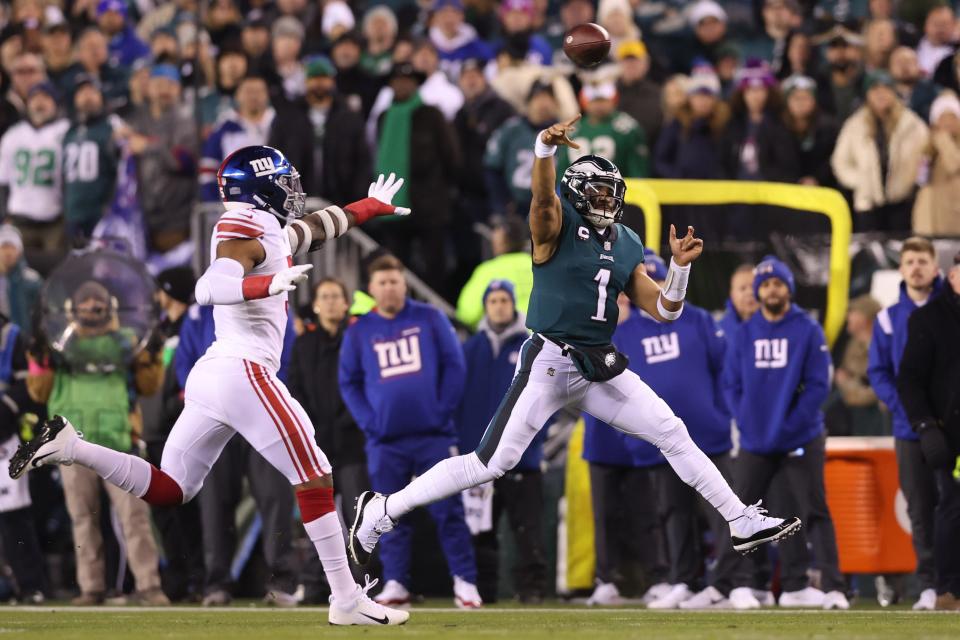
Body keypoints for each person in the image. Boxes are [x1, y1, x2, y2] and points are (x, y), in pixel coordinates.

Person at [348, 117, 800, 579]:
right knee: (490, 463)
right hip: (549, 359)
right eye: (599, 192)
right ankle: (383, 509)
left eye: (612, 192)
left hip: (597, 363)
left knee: (671, 431)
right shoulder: (554, 225)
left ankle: (740, 519)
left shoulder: (625, 241)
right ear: (578, 193)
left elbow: (664, 310)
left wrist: (679, 270)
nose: (608, 201)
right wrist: (544, 149)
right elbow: (543, 199)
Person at [10, 146, 412, 625]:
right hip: (244, 371)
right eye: (284, 182)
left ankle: (74, 446)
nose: (292, 190)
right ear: (258, 186)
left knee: (171, 488)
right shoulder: (242, 225)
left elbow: (313, 230)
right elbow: (209, 287)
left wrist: (368, 207)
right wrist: (267, 286)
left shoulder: (264, 227)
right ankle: (345, 600)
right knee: (315, 476)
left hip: (215, 372)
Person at [339, 254, 481, 609]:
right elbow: (349, 382)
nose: (389, 288)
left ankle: (465, 582)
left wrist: (440, 411)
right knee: (387, 515)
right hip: (385, 442)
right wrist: (371, 423)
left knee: (449, 510)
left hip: (433, 436)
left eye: (395, 281)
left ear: (404, 283)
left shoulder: (430, 318)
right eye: (382, 282)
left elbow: (454, 366)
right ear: (371, 289)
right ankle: (396, 582)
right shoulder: (358, 331)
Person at [26, 280, 168, 606]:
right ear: (74, 309)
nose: (92, 308)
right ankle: (91, 587)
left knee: (134, 519)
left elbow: (149, 385)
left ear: (109, 308)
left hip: (119, 441)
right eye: (86, 303)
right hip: (72, 447)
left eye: (98, 303)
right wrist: (38, 358)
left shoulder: (126, 343)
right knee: (82, 518)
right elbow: (39, 392)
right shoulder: (57, 345)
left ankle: (149, 585)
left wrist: (153, 353)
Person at [721, 256, 848, 610]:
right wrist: (746, 420)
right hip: (755, 439)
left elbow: (819, 385)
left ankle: (830, 586)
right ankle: (746, 585)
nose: (771, 289)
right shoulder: (745, 332)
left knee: (814, 510)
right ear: (759, 291)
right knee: (742, 514)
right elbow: (730, 385)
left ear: (788, 288)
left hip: (800, 439)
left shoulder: (808, 329)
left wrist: (791, 427)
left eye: (777, 283)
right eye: (765, 284)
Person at [457, 280, 546, 604]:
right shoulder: (468, 350)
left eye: (503, 299)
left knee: (528, 531)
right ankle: (484, 591)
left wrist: (537, 441)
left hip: (524, 458)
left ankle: (532, 590)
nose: (498, 305)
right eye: (492, 300)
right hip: (480, 462)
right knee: (482, 532)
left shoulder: (531, 346)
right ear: (486, 305)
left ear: (513, 304)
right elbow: (455, 401)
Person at [867, 237, 942, 611]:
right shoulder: (887, 318)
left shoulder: (952, 310)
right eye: (909, 261)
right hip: (910, 430)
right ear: (901, 269)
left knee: (952, 504)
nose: (915, 267)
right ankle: (930, 584)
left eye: (922, 261)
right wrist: (910, 409)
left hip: (951, 429)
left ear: (935, 266)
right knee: (920, 507)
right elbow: (877, 372)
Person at [582, 290, 670, 608]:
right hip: (601, 438)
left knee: (647, 514)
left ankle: (659, 577)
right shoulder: (587, 330)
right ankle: (605, 579)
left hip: (638, 437)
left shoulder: (647, 331)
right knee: (604, 517)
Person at [288, 278, 370, 601]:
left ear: (347, 303)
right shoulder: (304, 345)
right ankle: (313, 585)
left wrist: (351, 421)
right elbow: (294, 390)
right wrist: (311, 429)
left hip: (352, 442)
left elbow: (364, 386)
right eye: (326, 297)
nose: (332, 302)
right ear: (316, 304)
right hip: (316, 443)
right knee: (317, 517)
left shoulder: (358, 338)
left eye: (337, 296)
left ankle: (363, 584)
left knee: (358, 518)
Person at [897, 251, 960, 611]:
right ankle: (948, 589)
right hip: (950, 435)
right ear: (952, 277)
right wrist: (926, 427)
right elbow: (909, 380)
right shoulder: (928, 320)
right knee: (950, 508)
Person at [371, 63, 461, 295]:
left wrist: (443, 194)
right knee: (398, 264)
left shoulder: (432, 115)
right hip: (393, 206)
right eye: (397, 80)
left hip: (429, 207)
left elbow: (451, 157)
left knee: (434, 266)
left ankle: (436, 308)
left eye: (407, 81)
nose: (402, 85)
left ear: (416, 84)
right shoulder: (383, 118)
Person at [831, 70, 928, 233]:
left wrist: (912, 183)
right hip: (867, 203)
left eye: (885, 89)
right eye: (875, 89)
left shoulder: (912, 124)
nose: (880, 94)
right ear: (867, 94)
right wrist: (859, 181)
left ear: (893, 92)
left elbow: (926, 156)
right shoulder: (855, 124)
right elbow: (840, 161)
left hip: (902, 203)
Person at [269, 56, 371, 205]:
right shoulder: (287, 117)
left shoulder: (349, 117)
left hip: (340, 201)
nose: (319, 83)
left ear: (332, 80)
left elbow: (362, 161)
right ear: (306, 81)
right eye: (314, 77)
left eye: (323, 77)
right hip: (296, 202)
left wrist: (356, 200)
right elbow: (275, 157)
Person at [118, 64, 197, 252]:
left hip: (175, 220)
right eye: (159, 84)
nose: (165, 90)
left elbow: (184, 161)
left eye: (171, 84)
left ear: (179, 89)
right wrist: (117, 140)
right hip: (139, 219)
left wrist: (147, 145)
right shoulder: (137, 120)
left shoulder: (185, 121)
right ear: (149, 87)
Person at [0, 81, 70, 268]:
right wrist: (3, 214)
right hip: (19, 219)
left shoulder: (66, 131)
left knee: (56, 273)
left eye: (45, 98)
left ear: (55, 103)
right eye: (35, 98)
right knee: (14, 271)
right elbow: (3, 182)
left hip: (54, 219)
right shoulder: (13, 135)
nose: (39, 103)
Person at [0, 311, 44, 604]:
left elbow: (29, 383)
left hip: (3, 436)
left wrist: (6, 406)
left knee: (13, 514)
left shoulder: (11, 335)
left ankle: (29, 585)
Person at [484, 81, 559, 218]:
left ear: (556, 104)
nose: (543, 103)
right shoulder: (510, 130)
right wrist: (503, 204)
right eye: (538, 98)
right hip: (516, 208)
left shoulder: (564, 134)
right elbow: (492, 168)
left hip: (552, 210)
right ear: (528, 103)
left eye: (548, 98)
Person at [62, 74, 119, 243]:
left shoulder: (112, 127)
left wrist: (109, 206)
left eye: (91, 91)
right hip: (73, 213)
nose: (87, 97)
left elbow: (119, 172)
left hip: (100, 214)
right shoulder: (69, 132)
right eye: (82, 92)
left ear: (101, 96)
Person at [200, 75, 276, 202]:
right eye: (248, 91)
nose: (253, 96)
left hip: (274, 206)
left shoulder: (279, 125)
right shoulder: (224, 128)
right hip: (233, 208)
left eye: (258, 91)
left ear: (267, 95)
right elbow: (208, 169)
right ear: (237, 95)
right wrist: (212, 203)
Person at [557, 81, 649, 179]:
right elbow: (563, 170)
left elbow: (637, 171)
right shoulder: (574, 130)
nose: (599, 105)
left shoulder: (627, 129)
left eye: (603, 100)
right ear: (584, 101)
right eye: (594, 100)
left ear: (613, 99)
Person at [456, 216, 533, 330]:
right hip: (543, 342)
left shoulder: (488, 270)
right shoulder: (539, 267)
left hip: (508, 342)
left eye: (496, 231)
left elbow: (467, 314)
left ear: (503, 239)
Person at [913, 92, 960, 236]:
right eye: (942, 117)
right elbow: (917, 178)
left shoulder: (942, 141)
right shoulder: (926, 143)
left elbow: (954, 165)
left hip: (953, 219)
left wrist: (943, 140)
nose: (947, 122)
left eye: (952, 117)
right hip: (927, 219)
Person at [781, 74, 839, 187]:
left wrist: (817, 179)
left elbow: (834, 159)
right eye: (796, 98)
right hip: (786, 189)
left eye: (806, 97)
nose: (801, 103)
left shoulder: (830, 127)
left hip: (823, 188)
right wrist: (795, 181)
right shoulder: (777, 128)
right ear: (787, 101)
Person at [615, 40, 663, 149]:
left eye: (635, 60)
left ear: (646, 63)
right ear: (618, 63)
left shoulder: (657, 94)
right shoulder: (609, 93)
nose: (631, 64)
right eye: (626, 60)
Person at [718, 263, 758, 341]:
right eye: (743, 288)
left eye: (754, 287)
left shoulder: (776, 324)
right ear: (732, 294)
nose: (750, 292)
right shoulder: (719, 331)